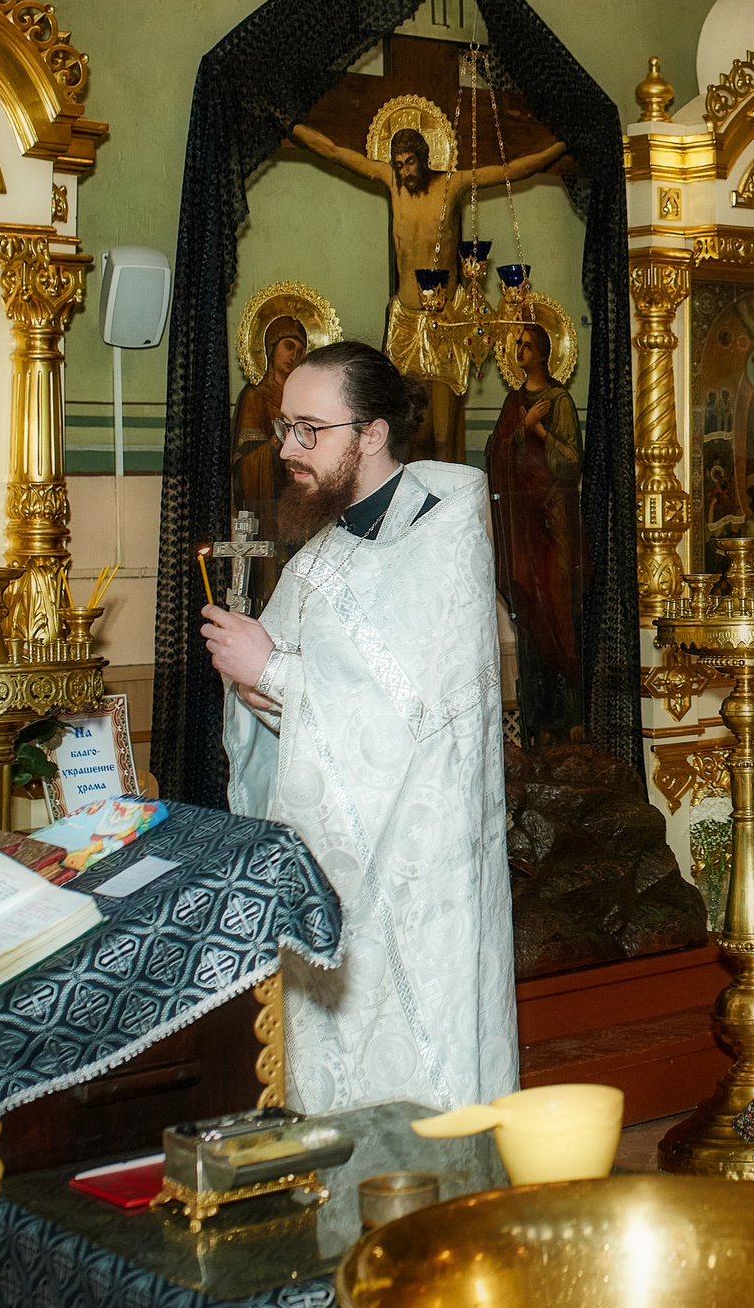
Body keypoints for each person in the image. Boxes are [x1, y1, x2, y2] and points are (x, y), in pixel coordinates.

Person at [203, 339, 516, 1113]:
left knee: (420, 1085)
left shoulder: (443, 541)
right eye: (285, 427)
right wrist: (254, 686)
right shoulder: (322, 554)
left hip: (419, 883)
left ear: (371, 433)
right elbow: (291, 701)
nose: (287, 449)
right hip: (335, 875)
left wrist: (274, 671)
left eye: (311, 430)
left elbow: (415, 718)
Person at [286, 117, 568, 460]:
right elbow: (334, 151)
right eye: (399, 165)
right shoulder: (391, 182)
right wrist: (290, 126)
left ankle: (447, 497)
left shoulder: (453, 184)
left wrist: (561, 145)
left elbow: (511, 170)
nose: (404, 172)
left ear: (424, 158)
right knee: (404, 421)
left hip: (446, 321)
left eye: (410, 163)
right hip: (405, 320)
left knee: (443, 432)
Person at [486, 320, 587, 745]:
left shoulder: (559, 400)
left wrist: (540, 430)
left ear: (544, 352)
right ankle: (540, 721)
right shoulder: (514, 402)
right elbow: (494, 454)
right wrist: (520, 430)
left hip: (555, 518)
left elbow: (570, 463)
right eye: (517, 345)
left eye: (527, 345)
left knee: (560, 609)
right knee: (528, 606)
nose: (520, 350)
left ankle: (573, 716)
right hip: (524, 521)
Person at [231, 313, 307, 603]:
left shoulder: (301, 399)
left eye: (300, 351)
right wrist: (275, 444)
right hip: (268, 510)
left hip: (299, 505)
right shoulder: (255, 397)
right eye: (288, 346)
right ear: (270, 348)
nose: (294, 356)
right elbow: (245, 464)